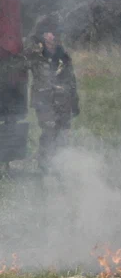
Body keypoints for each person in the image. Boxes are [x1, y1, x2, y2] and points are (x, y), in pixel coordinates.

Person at [26, 15, 79, 171]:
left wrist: (75, 104)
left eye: (57, 33)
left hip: (64, 102)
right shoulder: (34, 54)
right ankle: (44, 167)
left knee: (63, 134)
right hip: (44, 101)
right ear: (43, 34)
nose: (55, 36)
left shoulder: (64, 56)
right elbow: (17, 66)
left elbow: (72, 81)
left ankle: (60, 167)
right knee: (49, 132)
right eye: (51, 32)